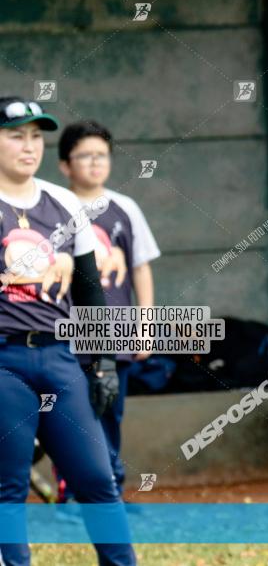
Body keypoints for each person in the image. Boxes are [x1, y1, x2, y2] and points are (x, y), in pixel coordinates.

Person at [0, 97, 136, 565]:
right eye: (16, 135)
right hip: (3, 363)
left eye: (36, 136)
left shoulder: (62, 203)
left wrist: (102, 363)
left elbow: (90, 292)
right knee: (8, 487)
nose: (28, 146)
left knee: (98, 479)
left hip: (60, 359)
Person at [58, 120, 162, 497]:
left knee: (111, 411)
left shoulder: (125, 208)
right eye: (85, 155)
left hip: (115, 333)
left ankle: (111, 491)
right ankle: (71, 493)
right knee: (71, 416)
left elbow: (141, 268)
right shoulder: (53, 204)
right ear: (65, 165)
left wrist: (145, 324)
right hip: (65, 334)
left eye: (101, 155)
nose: (95, 163)